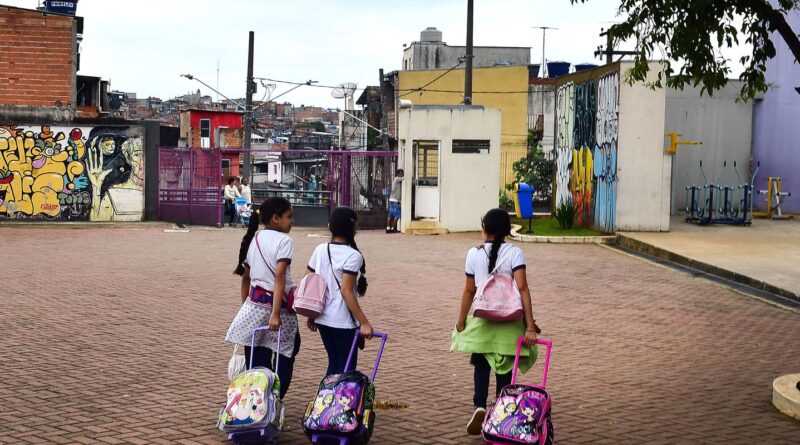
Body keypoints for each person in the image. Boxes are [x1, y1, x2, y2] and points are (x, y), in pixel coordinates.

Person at [450, 208, 540, 436]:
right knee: (505, 368)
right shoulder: (515, 253)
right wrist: (529, 325)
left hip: (483, 320)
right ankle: (502, 411)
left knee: (481, 362)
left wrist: (461, 321)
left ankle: (479, 405)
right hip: (510, 322)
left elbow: (469, 290)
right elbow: (523, 289)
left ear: (485, 229)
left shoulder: (473, 253)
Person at [225, 197, 301, 401]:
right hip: (278, 309)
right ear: (276, 218)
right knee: (286, 352)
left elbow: (246, 277)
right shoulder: (285, 241)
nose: (291, 221)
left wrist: (245, 306)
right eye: (289, 217)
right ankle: (274, 399)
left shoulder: (255, 238)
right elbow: (279, 276)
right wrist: (275, 313)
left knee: (256, 355)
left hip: (253, 306)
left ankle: (254, 400)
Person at [305, 207, 373, 376]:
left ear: (330, 226)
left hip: (322, 318)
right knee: (346, 367)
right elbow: (346, 291)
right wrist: (364, 322)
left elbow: (309, 280)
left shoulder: (320, 249)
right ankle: (340, 402)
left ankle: (326, 400)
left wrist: (311, 314)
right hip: (342, 321)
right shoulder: (353, 255)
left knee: (334, 362)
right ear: (353, 228)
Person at [386, 169, 404, 233]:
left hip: (391, 199)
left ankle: (388, 229)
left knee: (390, 215)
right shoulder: (397, 179)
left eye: (402, 173)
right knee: (397, 215)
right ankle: (393, 228)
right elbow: (405, 178)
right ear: (398, 174)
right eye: (401, 173)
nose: (402, 174)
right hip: (395, 200)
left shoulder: (396, 179)